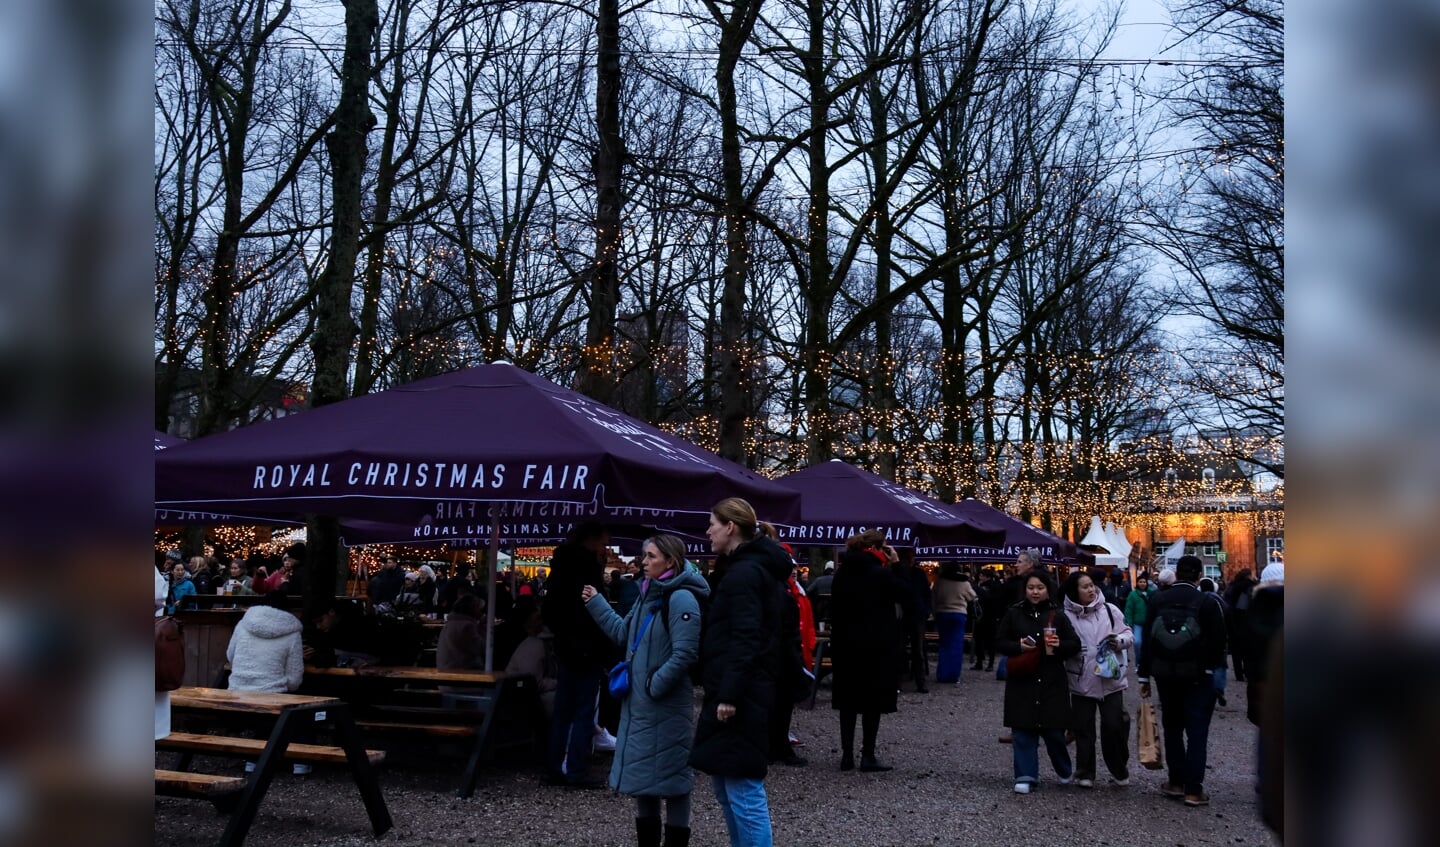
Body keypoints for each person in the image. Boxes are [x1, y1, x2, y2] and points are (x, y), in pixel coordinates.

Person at [583, 534, 709, 847]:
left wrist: (655, 684)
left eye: (651, 556)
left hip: (663, 706)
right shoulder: (648, 594)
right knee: (644, 781)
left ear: (671, 560)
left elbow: (686, 653)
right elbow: (623, 633)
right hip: (642, 706)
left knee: (675, 783)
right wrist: (597, 602)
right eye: (644, 555)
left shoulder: (680, 598)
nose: (644, 562)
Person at [689, 497, 790, 847]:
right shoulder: (751, 570)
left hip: (740, 693)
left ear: (730, 527)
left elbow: (746, 637)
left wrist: (730, 693)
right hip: (739, 687)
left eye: (712, 524)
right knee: (727, 783)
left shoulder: (746, 574)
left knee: (743, 788)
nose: (708, 531)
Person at [1139, 554, 1228, 807]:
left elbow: (1148, 639)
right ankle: (1193, 789)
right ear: (1199, 575)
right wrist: (1211, 670)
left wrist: (1144, 675)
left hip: (1165, 674)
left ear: (1176, 573)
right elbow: (1218, 641)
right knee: (1197, 732)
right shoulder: (1206, 602)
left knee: (1173, 728)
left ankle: (1176, 782)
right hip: (1198, 676)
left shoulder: (1158, 599)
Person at [541, 522, 613, 789]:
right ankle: (576, 770)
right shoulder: (587, 568)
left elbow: (550, 609)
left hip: (564, 645)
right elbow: (595, 607)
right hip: (586, 646)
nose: (606, 546)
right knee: (583, 711)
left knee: (563, 710)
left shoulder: (560, 566)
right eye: (604, 541)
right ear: (592, 539)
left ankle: (553, 767)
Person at [828, 530, 906, 772]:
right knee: (873, 701)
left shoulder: (842, 573)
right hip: (876, 646)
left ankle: (847, 754)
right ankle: (867, 754)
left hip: (845, 645)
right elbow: (906, 594)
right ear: (878, 548)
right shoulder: (880, 574)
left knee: (848, 701)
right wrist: (897, 564)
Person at [996, 569, 1080, 794]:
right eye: (1031, 588)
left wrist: (1059, 645)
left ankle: (1063, 768)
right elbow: (999, 641)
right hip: (1022, 678)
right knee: (1023, 730)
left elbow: (1075, 645)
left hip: (1052, 678)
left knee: (1054, 731)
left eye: (1040, 588)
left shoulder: (1058, 615)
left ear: (1047, 590)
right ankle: (1025, 775)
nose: (1035, 592)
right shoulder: (1013, 613)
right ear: (1024, 590)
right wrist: (1018, 646)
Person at [1061, 571, 1134, 788]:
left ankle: (1119, 770)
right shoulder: (1065, 615)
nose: (1091, 590)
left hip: (1110, 679)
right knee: (1084, 729)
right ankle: (1085, 772)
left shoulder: (1110, 610)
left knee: (1114, 727)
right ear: (1075, 591)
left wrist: (1118, 641)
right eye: (1085, 587)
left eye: (1091, 585)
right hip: (1081, 678)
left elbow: (1128, 634)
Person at [226, 591, 309, 773]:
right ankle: (300, 760)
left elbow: (230, 655)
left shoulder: (243, 624)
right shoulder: (292, 632)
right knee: (302, 710)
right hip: (273, 692)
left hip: (238, 689)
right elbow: (295, 677)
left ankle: (253, 760)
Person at [504, 607, 559, 719]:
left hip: (524, 693)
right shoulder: (536, 646)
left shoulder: (539, 644)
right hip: (520, 696)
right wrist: (558, 683)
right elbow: (532, 681)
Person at [893, 549, 932, 693]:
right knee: (916, 650)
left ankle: (899, 683)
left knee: (902, 649)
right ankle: (919, 682)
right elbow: (927, 593)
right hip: (916, 613)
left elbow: (926, 594)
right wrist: (927, 610)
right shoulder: (918, 574)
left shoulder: (898, 573)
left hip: (906, 614)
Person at [932, 562, 977, 685]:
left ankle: (942, 674)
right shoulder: (964, 582)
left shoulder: (940, 581)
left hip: (942, 614)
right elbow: (973, 597)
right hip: (959, 614)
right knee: (956, 646)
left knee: (944, 645)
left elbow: (934, 596)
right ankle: (953, 675)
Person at [437, 593, 488, 672]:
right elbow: (481, 649)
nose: (481, 612)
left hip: (447, 670)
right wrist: (482, 626)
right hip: (461, 673)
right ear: (473, 609)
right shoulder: (467, 626)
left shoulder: (451, 624)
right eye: (479, 609)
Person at [1223, 568, 1257, 681]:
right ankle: (1247, 671)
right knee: (1248, 649)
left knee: (1236, 650)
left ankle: (1238, 673)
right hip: (1246, 621)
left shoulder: (1233, 586)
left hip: (1233, 620)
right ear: (1248, 575)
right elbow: (1243, 605)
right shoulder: (1249, 586)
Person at [974, 569, 1005, 672]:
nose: (980, 577)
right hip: (981, 616)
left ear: (987, 576)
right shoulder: (978, 585)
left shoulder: (994, 586)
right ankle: (980, 662)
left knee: (989, 641)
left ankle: (989, 663)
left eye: (982, 575)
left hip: (989, 616)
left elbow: (991, 599)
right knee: (979, 640)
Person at [1123, 574, 1150, 666]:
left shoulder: (1151, 593)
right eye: (1140, 582)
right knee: (1137, 643)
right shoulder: (1133, 595)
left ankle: (1147, 664)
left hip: (1148, 623)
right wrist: (1129, 623)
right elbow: (1129, 609)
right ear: (1137, 583)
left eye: (1144, 582)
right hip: (1137, 623)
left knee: (1148, 645)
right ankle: (1138, 663)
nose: (1142, 584)